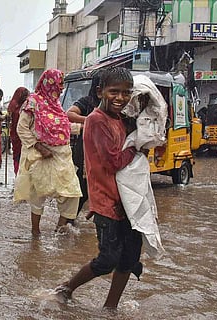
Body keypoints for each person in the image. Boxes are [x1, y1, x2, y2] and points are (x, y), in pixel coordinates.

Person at [55, 67, 142, 310]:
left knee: (129, 259)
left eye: (126, 93)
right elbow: (113, 161)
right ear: (100, 91)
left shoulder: (121, 119)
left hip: (129, 201)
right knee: (107, 259)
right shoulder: (96, 120)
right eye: (114, 92)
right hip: (106, 202)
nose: (120, 98)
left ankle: (110, 308)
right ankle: (66, 288)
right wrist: (137, 148)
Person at [13, 69, 82, 236]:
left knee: (72, 192)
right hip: (40, 154)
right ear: (49, 83)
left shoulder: (57, 105)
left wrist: (83, 128)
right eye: (60, 84)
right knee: (38, 192)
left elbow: (61, 128)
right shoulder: (33, 102)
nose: (62, 88)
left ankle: (60, 228)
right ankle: (35, 233)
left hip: (61, 154)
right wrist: (39, 147)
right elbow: (21, 128)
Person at [66, 72, 101, 215]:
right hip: (86, 151)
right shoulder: (88, 101)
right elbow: (70, 114)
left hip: (106, 153)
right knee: (83, 188)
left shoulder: (115, 104)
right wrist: (90, 120)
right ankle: (68, 219)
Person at [8, 87, 29, 175]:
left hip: (21, 135)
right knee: (19, 155)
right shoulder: (18, 107)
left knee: (20, 155)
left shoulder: (24, 106)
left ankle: (20, 175)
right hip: (18, 135)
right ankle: (19, 174)